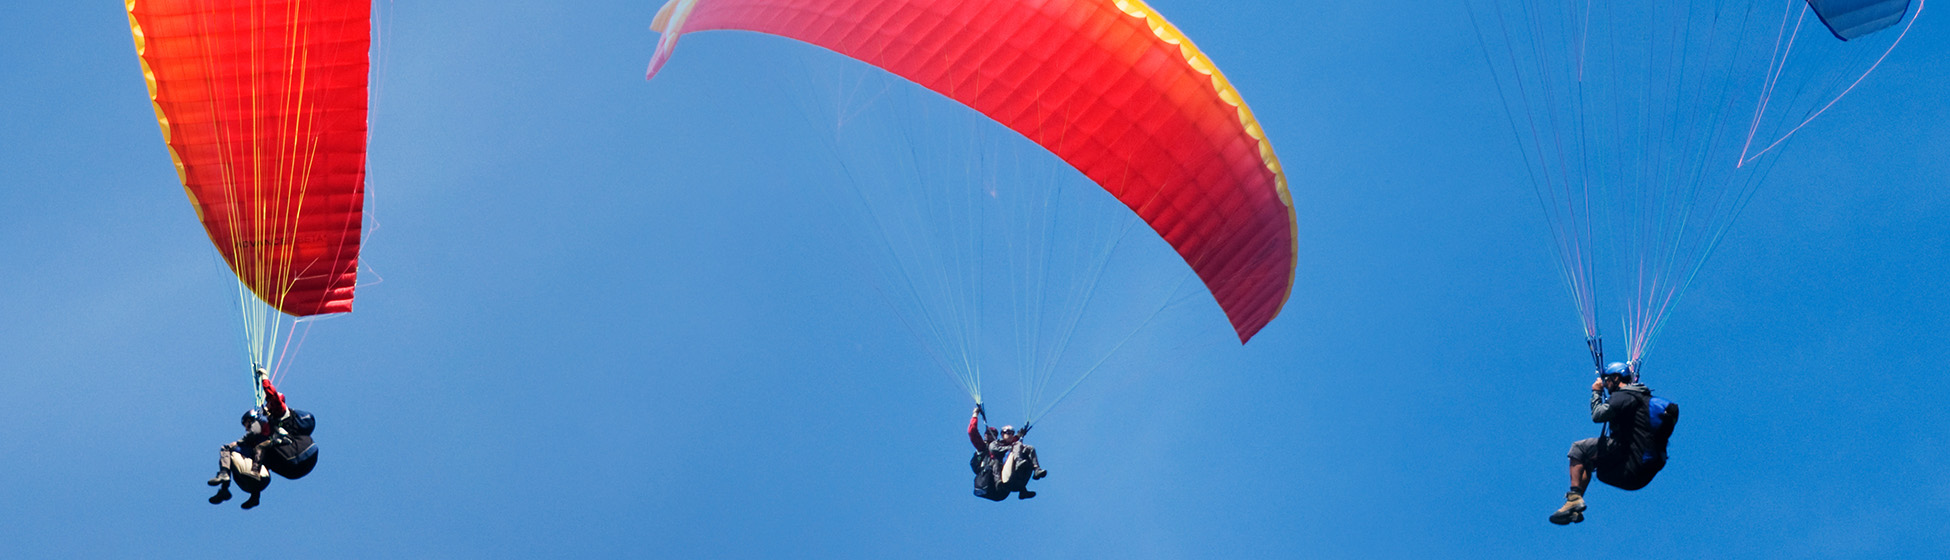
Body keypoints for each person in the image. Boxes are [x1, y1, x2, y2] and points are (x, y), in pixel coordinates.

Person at [1550, 361, 1679, 525]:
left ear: (1616, 378)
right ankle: (1574, 506)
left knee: (1579, 449)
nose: (1604, 383)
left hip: (1628, 459)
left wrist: (1596, 393)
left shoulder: (1624, 396)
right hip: (1641, 473)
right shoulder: (1640, 397)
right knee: (1591, 461)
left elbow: (1598, 415)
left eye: (1607, 379)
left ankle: (1574, 497)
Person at [208, 368, 309, 509]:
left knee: (231, 449)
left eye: (247, 423)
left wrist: (264, 378)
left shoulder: (269, 421)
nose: (246, 427)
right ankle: (227, 490)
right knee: (248, 452)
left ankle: (226, 478)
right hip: (259, 479)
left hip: (265, 470)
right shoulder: (258, 436)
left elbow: (273, 397)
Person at [966, 405, 1046, 500]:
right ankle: (1001, 482)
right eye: (987, 433)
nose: (989, 435)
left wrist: (1019, 435)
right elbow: (972, 432)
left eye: (993, 434)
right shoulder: (984, 448)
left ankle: (1024, 487)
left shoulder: (1000, 444)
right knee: (997, 459)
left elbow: (1011, 443)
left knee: (1024, 452)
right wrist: (975, 414)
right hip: (992, 484)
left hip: (1003, 490)